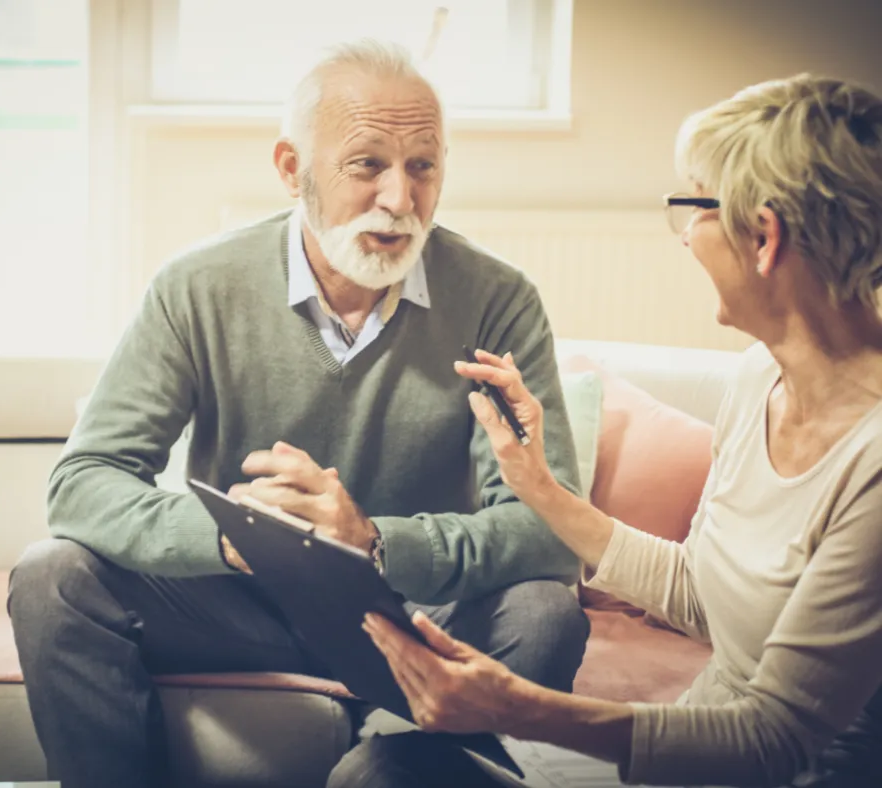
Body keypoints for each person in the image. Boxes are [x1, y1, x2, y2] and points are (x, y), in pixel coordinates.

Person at [6, 40, 590, 788]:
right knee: (52, 574)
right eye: (367, 164)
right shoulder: (196, 287)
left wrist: (374, 543)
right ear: (292, 169)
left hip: (415, 618)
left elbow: (550, 528)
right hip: (239, 607)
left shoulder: (496, 298)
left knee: (546, 612)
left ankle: (398, 770)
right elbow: (83, 484)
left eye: (423, 166)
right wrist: (234, 538)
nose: (400, 200)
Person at [352, 73, 882, 788]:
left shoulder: (871, 465)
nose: (686, 237)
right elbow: (702, 595)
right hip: (679, 765)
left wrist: (522, 707)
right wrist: (539, 485)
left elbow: (771, 742)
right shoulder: (761, 376)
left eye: (692, 207)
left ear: (763, 236)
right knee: (382, 764)